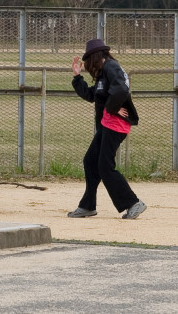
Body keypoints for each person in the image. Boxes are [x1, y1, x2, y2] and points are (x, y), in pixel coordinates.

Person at [68, 38, 147, 220]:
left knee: (105, 166)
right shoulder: (103, 73)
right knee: (90, 161)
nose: (87, 64)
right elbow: (91, 96)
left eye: (88, 60)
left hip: (116, 124)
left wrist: (112, 108)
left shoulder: (111, 67)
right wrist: (77, 77)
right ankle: (87, 206)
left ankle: (133, 203)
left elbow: (121, 89)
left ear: (95, 57)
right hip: (107, 123)